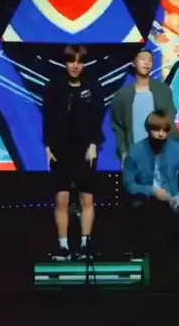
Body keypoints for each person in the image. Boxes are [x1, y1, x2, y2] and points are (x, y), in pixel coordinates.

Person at [43, 45, 105, 261]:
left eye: (79, 61)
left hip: (85, 150)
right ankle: (63, 247)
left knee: (86, 197)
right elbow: (47, 118)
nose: (75, 65)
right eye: (71, 61)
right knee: (61, 199)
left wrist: (94, 144)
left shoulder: (93, 86)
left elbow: (98, 118)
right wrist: (47, 147)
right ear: (65, 63)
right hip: (60, 149)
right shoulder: (54, 86)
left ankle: (85, 246)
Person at [122, 110, 179, 260]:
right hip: (144, 206)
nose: (161, 134)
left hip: (171, 205)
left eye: (165, 130)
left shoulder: (177, 149)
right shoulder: (135, 152)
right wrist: (151, 190)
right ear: (148, 129)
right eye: (157, 129)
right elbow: (129, 184)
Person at [111, 49, 179, 166]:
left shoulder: (163, 90)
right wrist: (123, 153)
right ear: (133, 63)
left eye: (150, 60)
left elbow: (170, 121)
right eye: (142, 59)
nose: (146, 62)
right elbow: (118, 127)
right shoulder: (122, 95)